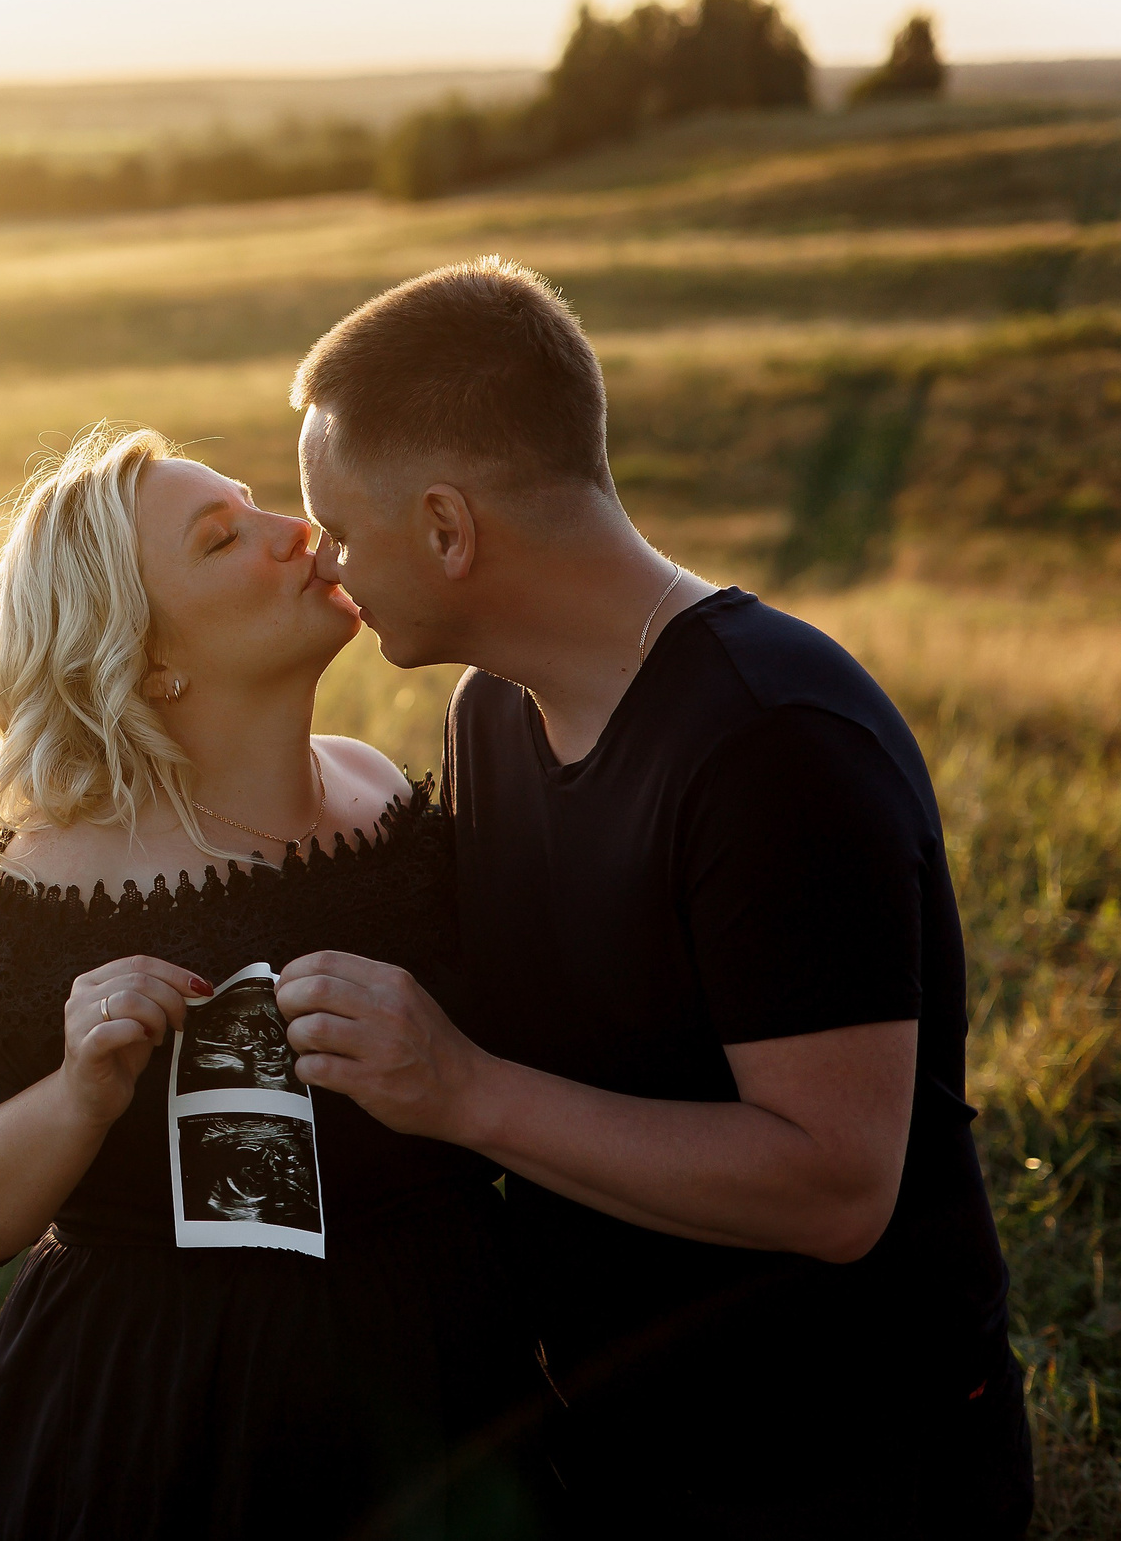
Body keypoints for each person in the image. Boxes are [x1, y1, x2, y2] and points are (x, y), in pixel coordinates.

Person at [275, 256, 1029, 1538]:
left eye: (343, 531)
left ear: (448, 529)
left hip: (844, 1467)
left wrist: (465, 1094)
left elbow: (835, 1189)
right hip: (616, 1445)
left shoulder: (773, 743)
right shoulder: (490, 719)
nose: (335, 572)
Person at [0, 425, 552, 1540]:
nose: (298, 533)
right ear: (143, 657)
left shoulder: (387, 802)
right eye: (224, 537)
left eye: (257, 504)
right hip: (170, 1412)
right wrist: (80, 1093)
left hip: (442, 1373)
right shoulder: (47, 887)